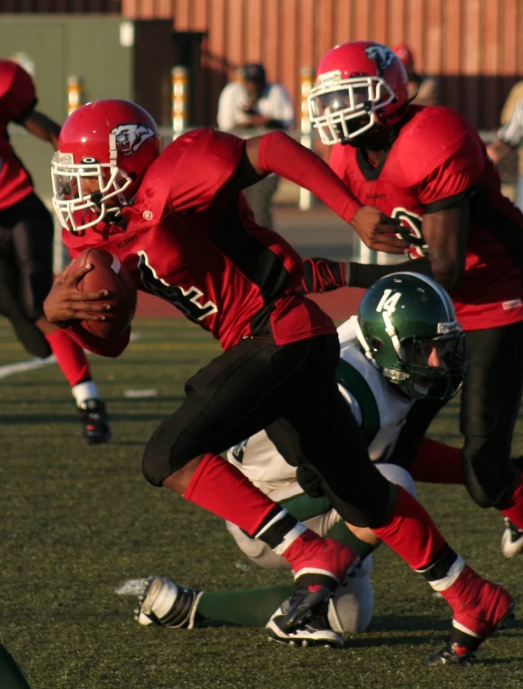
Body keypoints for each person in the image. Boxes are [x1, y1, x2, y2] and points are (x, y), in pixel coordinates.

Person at [43, 98, 512, 665]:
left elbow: (271, 148)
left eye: (87, 177)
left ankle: (307, 550)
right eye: (70, 179)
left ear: (129, 164)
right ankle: (471, 596)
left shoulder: (174, 177)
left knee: (166, 455)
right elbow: (111, 340)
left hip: (277, 332)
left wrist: (349, 211)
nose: (77, 193)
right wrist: (60, 313)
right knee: (360, 491)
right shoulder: (104, 239)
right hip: (288, 344)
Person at [134, 272, 469, 639]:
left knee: (350, 618)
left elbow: (399, 451)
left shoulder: (377, 364)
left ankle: (186, 606)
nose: (436, 362)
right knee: (390, 484)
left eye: (441, 347)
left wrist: (477, 471)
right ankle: (314, 584)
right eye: (421, 349)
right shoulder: (351, 387)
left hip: (302, 493)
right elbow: (334, 467)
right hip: (267, 508)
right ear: (380, 342)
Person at [307, 39, 523, 564]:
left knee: (484, 475)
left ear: (388, 95)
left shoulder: (433, 136)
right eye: (331, 101)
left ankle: (514, 501)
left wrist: (347, 274)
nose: (337, 114)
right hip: (436, 307)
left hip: (495, 294)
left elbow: (446, 267)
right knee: (392, 449)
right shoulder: (348, 155)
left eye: (350, 97)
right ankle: (325, 573)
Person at [0, 59, 110, 444]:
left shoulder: (4, 82)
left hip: (17, 208)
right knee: (22, 317)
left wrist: (74, 151)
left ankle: (89, 402)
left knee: (37, 303)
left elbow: (37, 122)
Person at [217, 63, 294, 228]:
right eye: (249, 82)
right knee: (235, 209)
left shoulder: (276, 93)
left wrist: (266, 120)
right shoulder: (232, 93)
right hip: (237, 161)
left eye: (257, 82)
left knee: (259, 209)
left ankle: (264, 248)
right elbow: (225, 126)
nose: (253, 86)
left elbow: (287, 122)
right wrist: (252, 122)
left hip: (267, 163)